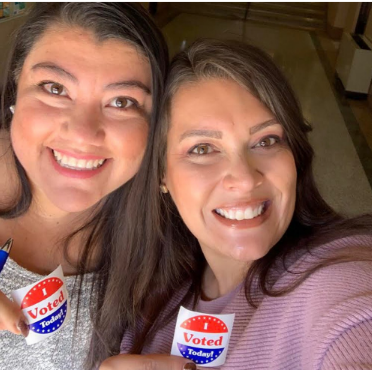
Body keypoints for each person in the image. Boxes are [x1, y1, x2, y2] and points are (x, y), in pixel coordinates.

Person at [100, 39, 372, 370]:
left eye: (266, 140)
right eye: (202, 149)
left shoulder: (338, 277)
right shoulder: (153, 291)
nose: (244, 178)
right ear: (161, 175)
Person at [0, 3, 169, 369]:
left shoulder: (172, 242)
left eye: (122, 102)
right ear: (15, 91)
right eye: (54, 88)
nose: (82, 132)